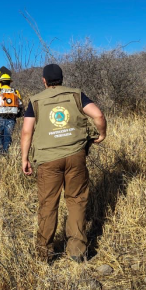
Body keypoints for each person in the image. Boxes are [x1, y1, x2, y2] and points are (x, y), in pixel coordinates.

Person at [20, 63, 107, 263]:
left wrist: (24, 158)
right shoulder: (76, 94)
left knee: (48, 204)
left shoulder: (35, 101)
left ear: (44, 81)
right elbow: (98, 115)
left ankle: (44, 254)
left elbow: (26, 131)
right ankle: (77, 251)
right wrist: (101, 134)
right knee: (76, 200)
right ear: (62, 79)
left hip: (48, 160)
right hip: (76, 155)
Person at [0, 73, 23, 154]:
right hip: (12, 118)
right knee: (8, 136)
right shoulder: (15, 92)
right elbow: (20, 105)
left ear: (0, 82)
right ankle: (6, 153)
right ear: (10, 82)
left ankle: (0, 153)